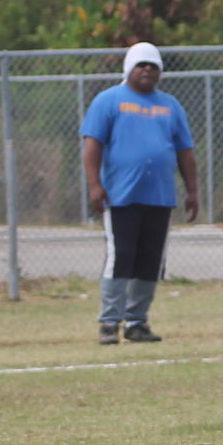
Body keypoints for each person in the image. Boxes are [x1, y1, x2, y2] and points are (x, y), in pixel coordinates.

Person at [80, 41, 199, 343]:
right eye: (141, 64)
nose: (147, 70)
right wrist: (95, 185)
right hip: (120, 196)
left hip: (159, 196)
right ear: (128, 69)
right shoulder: (109, 101)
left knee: (150, 260)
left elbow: (186, 152)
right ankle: (109, 323)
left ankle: (137, 321)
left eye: (153, 65)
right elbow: (92, 145)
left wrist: (192, 192)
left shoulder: (170, 105)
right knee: (120, 258)